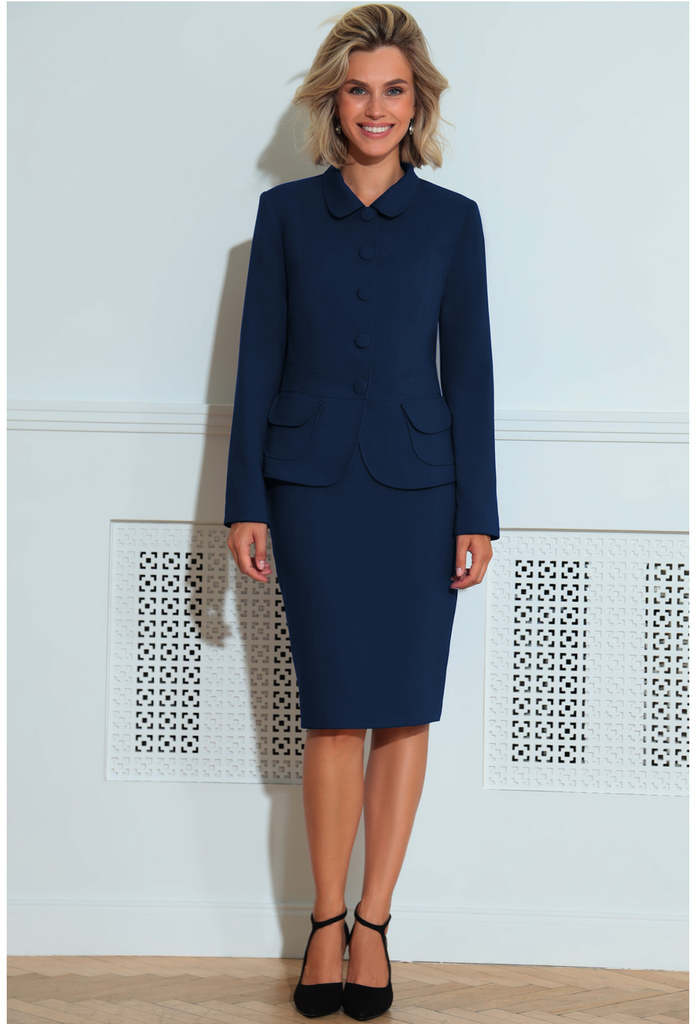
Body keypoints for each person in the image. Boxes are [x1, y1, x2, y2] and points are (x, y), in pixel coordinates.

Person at [223, 4, 500, 1019]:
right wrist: (245, 500)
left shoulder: (453, 222)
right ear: (331, 103)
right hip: (311, 491)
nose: (376, 108)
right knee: (335, 710)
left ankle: (375, 923)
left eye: (394, 90)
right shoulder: (286, 217)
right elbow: (256, 364)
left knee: (404, 710)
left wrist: (479, 513)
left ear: (416, 103)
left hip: (422, 495)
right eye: (357, 90)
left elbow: (471, 373)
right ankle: (324, 920)